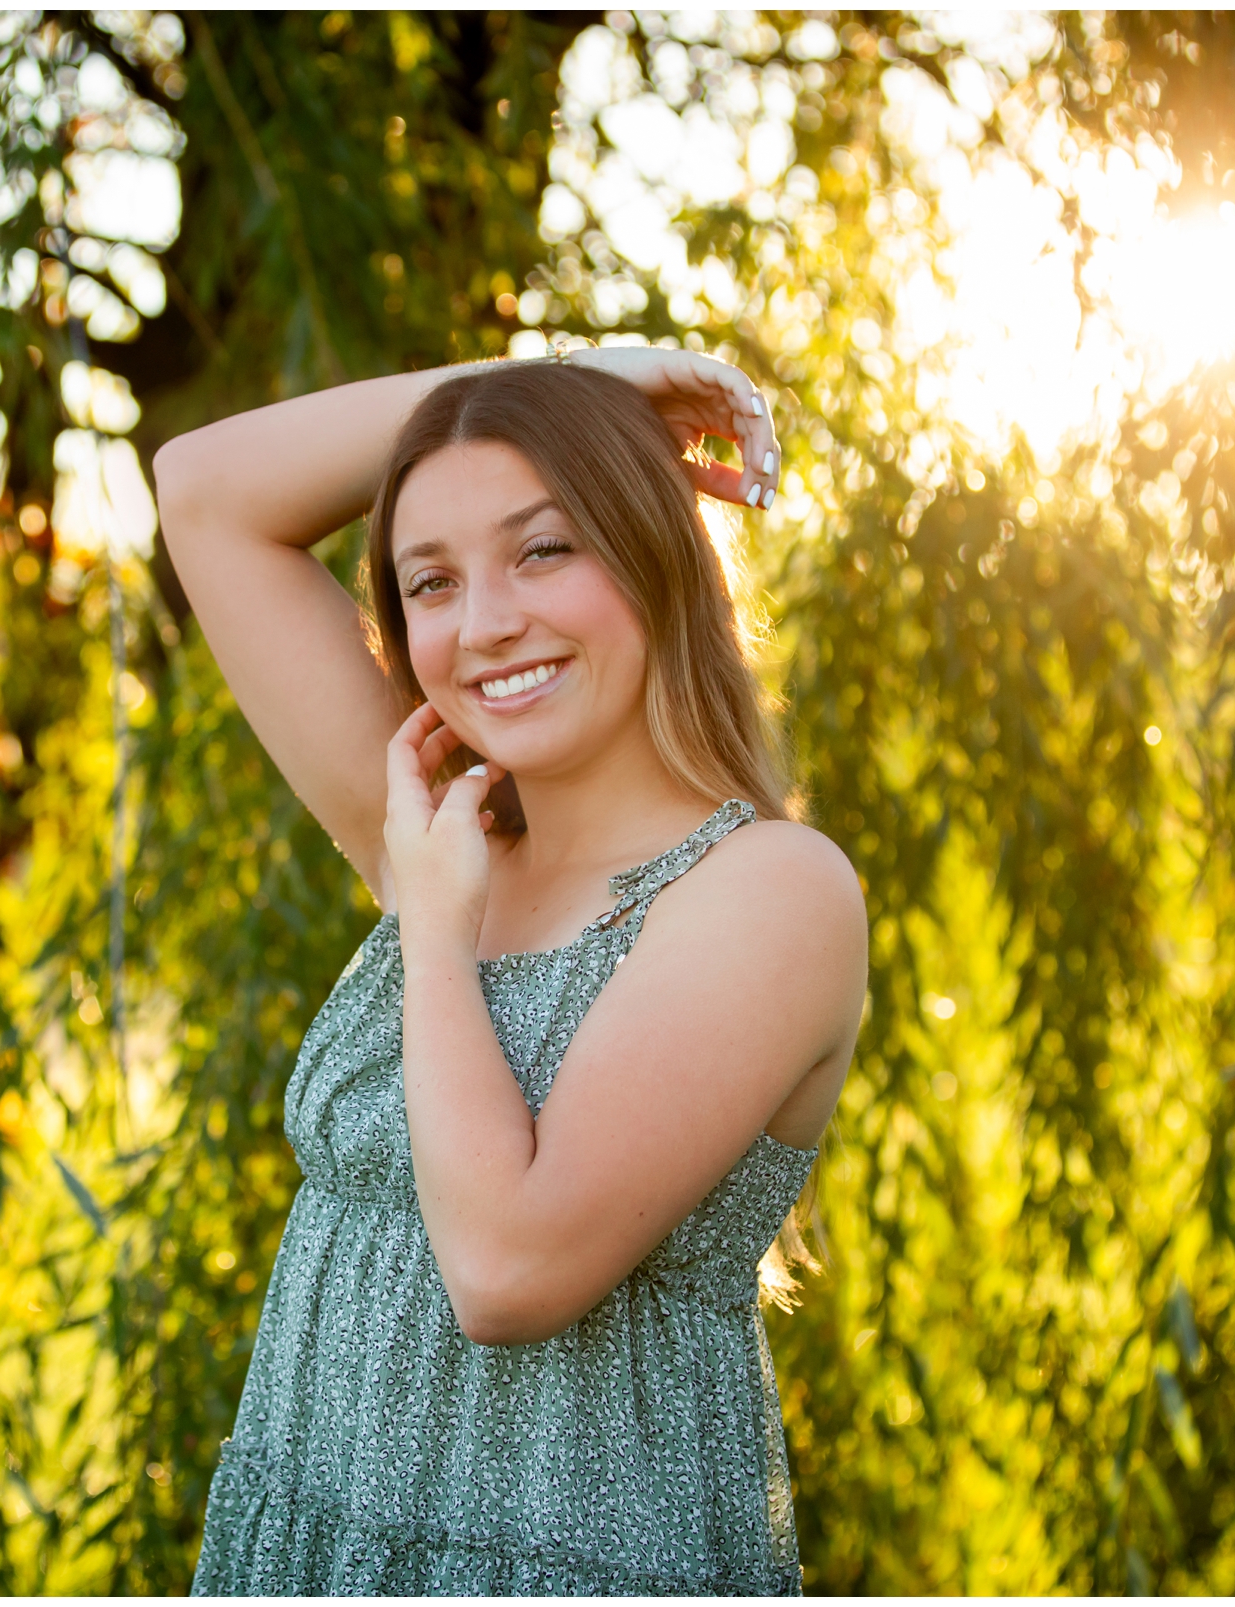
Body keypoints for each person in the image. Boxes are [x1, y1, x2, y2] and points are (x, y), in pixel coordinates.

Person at [154, 345, 869, 1596]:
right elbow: (204, 488)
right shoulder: (452, 840)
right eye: (431, 580)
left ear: (655, 547)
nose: (485, 624)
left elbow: (506, 1269)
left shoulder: (769, 890)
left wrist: (432, 927)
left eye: (545, 549)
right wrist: (571, 373)